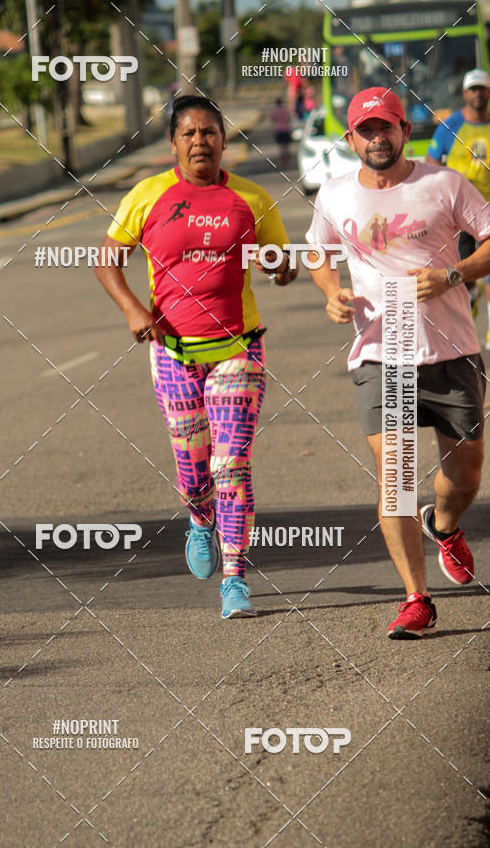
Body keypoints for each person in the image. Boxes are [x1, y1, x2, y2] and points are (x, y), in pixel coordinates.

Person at [95, 95, 297, 619]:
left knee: (232, 465)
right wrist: (133, 311)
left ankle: (236, 579)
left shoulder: (252, 199)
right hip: (173, 351)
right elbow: (106, 260)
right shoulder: (148, 195)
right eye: (189, 133)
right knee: (194, 469)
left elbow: (280, 257)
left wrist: (283, 267)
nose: (200, 141)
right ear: (173, 143)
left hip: (239, 348)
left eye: (209, 132)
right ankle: (199, 518)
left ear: (225, 140)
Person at [306, 86, 490, 639]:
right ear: (350, 139)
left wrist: (454, 273)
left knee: (464, 476)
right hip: (381, 356)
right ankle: (416, 598)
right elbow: (317, 250)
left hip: (452, 351)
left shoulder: (443, 183)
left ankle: (446, 526)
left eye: (386, 127)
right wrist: (330, 291)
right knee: (397, 477)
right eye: (366, 130)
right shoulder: (335, 195)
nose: (377, 138)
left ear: (405, 131)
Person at [427, 68, 490, 326]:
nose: (478, 94)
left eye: (482, 88)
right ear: (465, 93)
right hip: (460, 212)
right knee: (465, 270)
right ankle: (470, 298)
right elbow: (432, 163)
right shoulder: (450, 126)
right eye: (473, 89)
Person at [270, 98, 291, 166]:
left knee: (281, 146)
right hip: (286, 129)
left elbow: (272, 119)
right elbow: (289, 118)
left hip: (278, 129)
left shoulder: (274, 111)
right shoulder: (285, 110)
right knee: (286, 145)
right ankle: (286, 156)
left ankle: (283, 158)